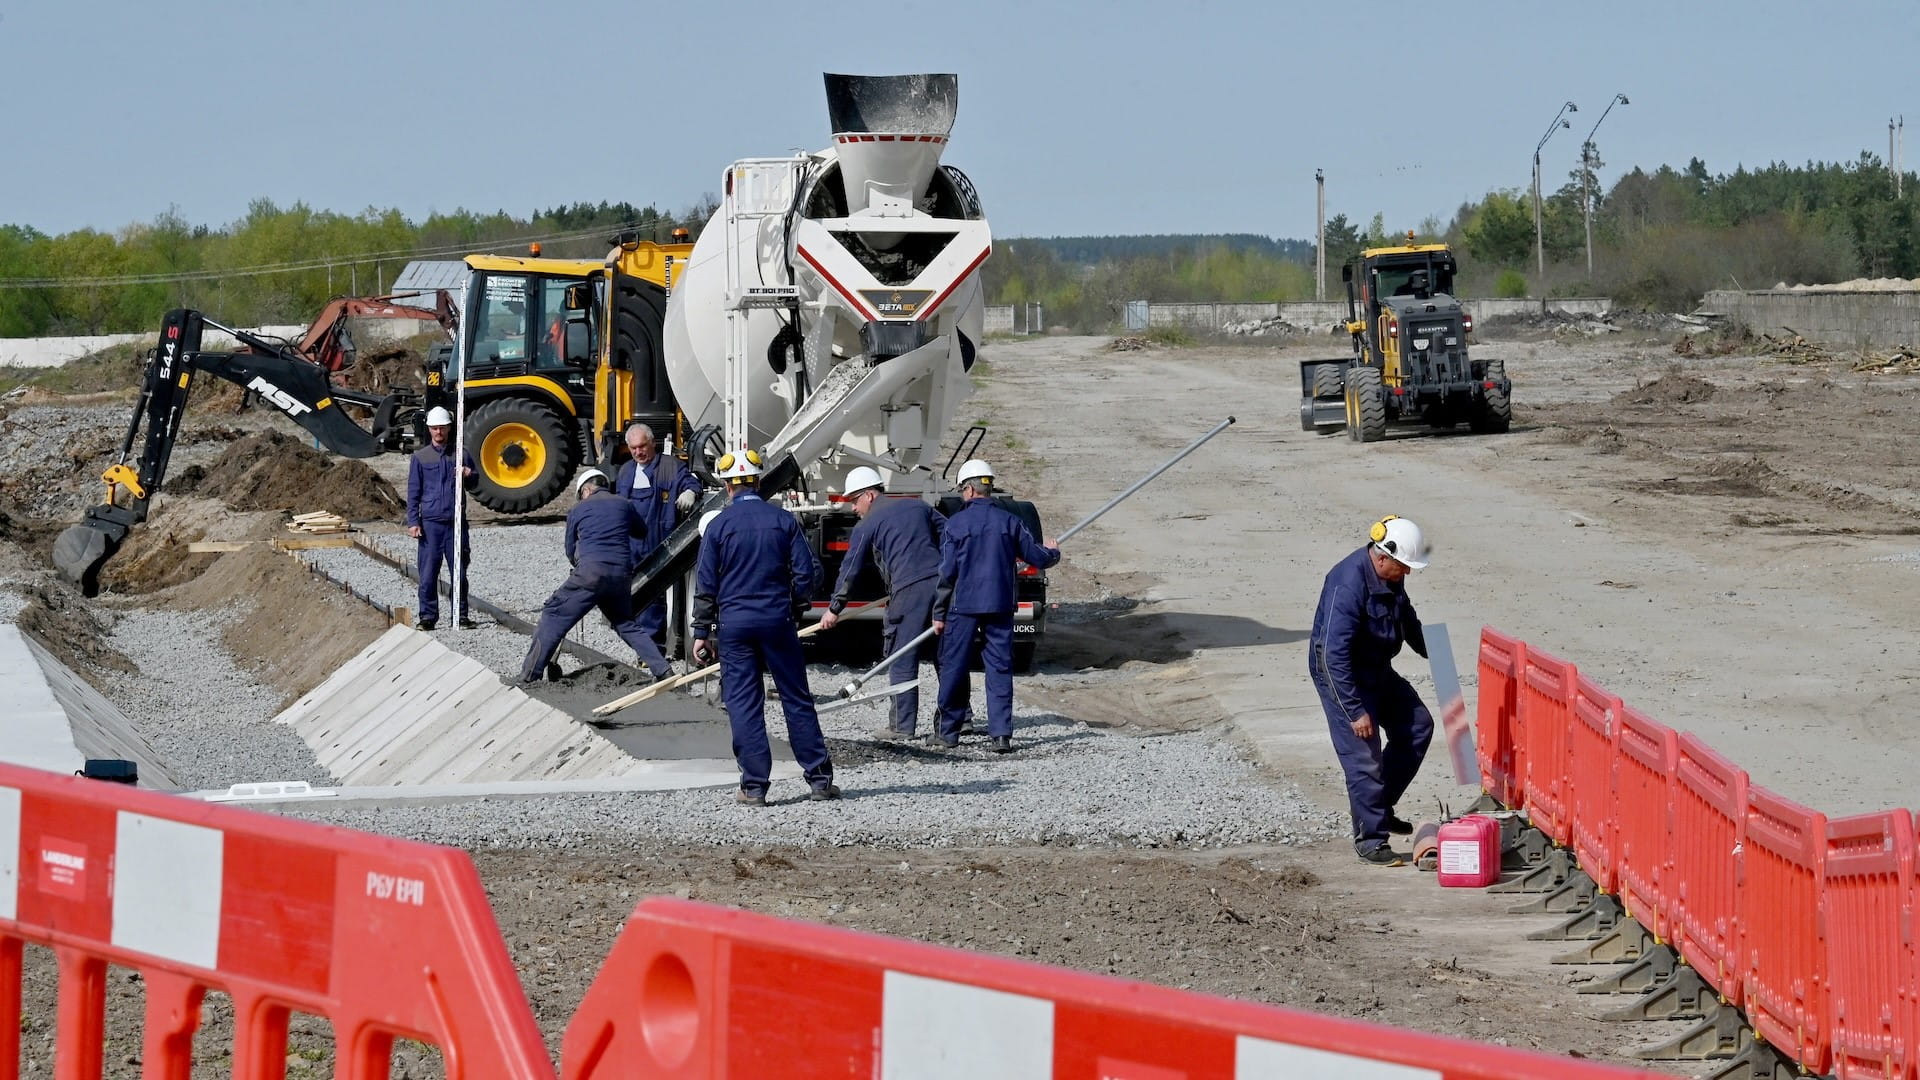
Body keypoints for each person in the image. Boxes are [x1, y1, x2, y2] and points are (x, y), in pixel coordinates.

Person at [691, 449, 837, 806]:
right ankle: (819, 780)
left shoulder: (718, 526)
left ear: (728, 486)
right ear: (758, 481)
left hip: (735, 626)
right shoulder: (783, 520)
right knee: (796, 699)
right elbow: (807, 573)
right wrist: (796, 605)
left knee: (743, 704)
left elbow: (706, 583)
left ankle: (754, 787)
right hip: (777, 620)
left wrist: (701, 632)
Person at [1309, 515, 1435, 866]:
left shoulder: (1389, 576)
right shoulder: (1347, 584)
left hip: (1375, 668)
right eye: (1403, 567)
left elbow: (1405, 617)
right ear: (1382, 558)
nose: (1407, 574)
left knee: (1418, 726)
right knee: (1364, 754)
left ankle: (1379, 807)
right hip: (1342, 677)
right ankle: (1371, 840)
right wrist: (1354, 710)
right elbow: (1333, 655)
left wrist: (1437, 652)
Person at [930, 459, 1059, 753]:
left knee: (954, 665)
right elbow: (1037, 557)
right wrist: (1054, 553)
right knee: (999, 668)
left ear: (969, 490)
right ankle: (1000, 735)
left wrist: (939, 613)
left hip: (963, 606)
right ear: (987, 488)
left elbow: (946, 573)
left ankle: (948, 733)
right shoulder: (1010, 522)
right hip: (1000, 604)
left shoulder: (956, 524)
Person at [818, 466, 945, 740]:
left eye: (855, 500)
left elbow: (850, 569)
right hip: (944, 586)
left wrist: (833, 609)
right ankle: (956, 722)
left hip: (909, 592)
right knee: (946, 655)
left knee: (901, 655)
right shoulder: (918, 507)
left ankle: (901, 726)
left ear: (870, 496)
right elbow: (950, 535)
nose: (853, 508)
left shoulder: (868, 523)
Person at [518, 468, 674, 684]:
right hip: (620, 576)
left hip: (590, 574)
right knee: (626, 624)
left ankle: (529, 677)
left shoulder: (578, 509)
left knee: (554, 614)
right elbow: (641, 532)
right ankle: (664, 671)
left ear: (586, 490)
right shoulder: (624, 504)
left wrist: (580, 566)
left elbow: (570, 549)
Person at [614, 422, 703, 647]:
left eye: (642, 446)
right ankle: (638, 643)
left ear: (653, 443)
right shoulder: (625, 472)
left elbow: (691, 482)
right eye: (633, 448)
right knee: (630, 593)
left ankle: (654, 647)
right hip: (631, 544)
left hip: (659, 541)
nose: (638, 452)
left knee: (654, 597)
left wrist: (690, 491)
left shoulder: (670, 467)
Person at [405, 406, 477, 630]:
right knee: (428, 573)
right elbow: (413, 492)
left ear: (448, 428)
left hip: (456, 525)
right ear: (429, 429)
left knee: (459, 573)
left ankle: (460, 615)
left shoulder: (461, 454)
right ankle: (428, 617)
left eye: (442, 428)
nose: (439, 432)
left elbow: (476, 484)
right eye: (435, 428)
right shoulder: (420, 457)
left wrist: (469, 474)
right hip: (431, 525)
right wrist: (413, 522)